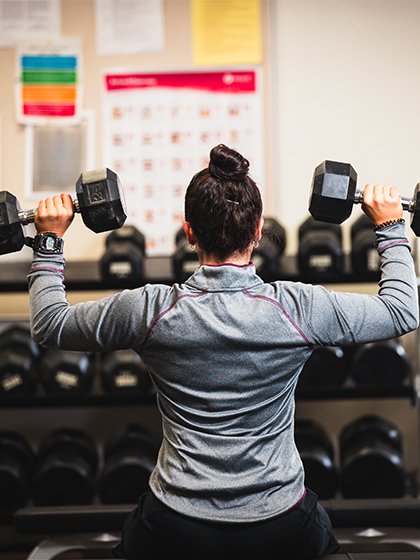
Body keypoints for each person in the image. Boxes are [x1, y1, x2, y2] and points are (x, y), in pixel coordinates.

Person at [27, 144, 418, 559]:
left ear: (189, 232)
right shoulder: (297, 308)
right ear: (257, 231)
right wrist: (391, 226)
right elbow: (401, 311)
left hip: (174, 520)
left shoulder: (150, 310)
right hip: (280, 520)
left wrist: (49, 238)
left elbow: (49, 322)